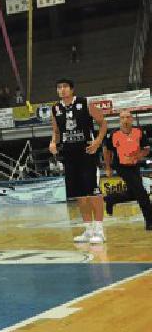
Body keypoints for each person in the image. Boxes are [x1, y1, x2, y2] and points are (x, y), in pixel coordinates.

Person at [49, 78, 108, 244]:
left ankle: (100, 230)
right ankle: (89, 230)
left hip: (87, 153)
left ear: (72, 89)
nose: (62, 90)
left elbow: (103, 123)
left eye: (65, 87)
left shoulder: (85, 102)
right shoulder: (55, 109)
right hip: (69, 155)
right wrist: (53, 142)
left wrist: (97, 141)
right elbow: (56, 131)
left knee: (93, 192)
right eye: (59, 87)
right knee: (80, 195)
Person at [102, 110, 152, 231]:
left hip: (134, 166)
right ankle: (150, 222)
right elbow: (106, 151)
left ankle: (111, 198)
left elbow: (146, 149)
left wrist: (139, 155)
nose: (125, 120)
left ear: (131, 119)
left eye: (127, 117)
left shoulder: (139, 132)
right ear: (120, 120)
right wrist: (107, 167)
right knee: (141, 193)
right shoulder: (114, 134)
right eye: (122, 118)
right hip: (121, 166)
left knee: (134, 193)